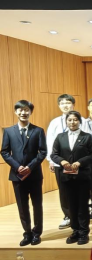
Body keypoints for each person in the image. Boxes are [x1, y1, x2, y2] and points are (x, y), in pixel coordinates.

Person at [1, 100, 47, 246]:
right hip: (17, 175)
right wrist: (17, 167)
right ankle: (27, 233)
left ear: (31, 112)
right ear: (16, 112)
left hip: (34, 175)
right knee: (22, 206)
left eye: (26, 110)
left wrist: (30, 167)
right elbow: (4, 152)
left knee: (37, 205)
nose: (23, 112)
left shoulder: (38, 130)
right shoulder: (8, 131)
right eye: (20, 110)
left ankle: (37, 233)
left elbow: (43, 152)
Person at [51, 111, 92, 245]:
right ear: (66, 121)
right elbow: (54, 154)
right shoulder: (60, 137)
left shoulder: (86, 137)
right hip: (66, 177)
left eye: (75, 119)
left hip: (82, 177)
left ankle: (84, 232)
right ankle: (75, 230)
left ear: (79, 121)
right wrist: (62, 161)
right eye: (69, 120)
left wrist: (80, 162)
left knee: (82, 205)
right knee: (71, 205)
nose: (72, 122)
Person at [46, 94, 75, 230]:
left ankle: (79, 214)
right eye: (62, 103)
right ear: (59, 106)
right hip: (59, 162)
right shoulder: (54, 122)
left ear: (73, 105)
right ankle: (67, 215)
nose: (65, 105)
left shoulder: (80, 120)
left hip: (77, 162)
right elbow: (49, 141)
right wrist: (50, 160)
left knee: (79, 189)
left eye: (68, 102)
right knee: (63, 190)